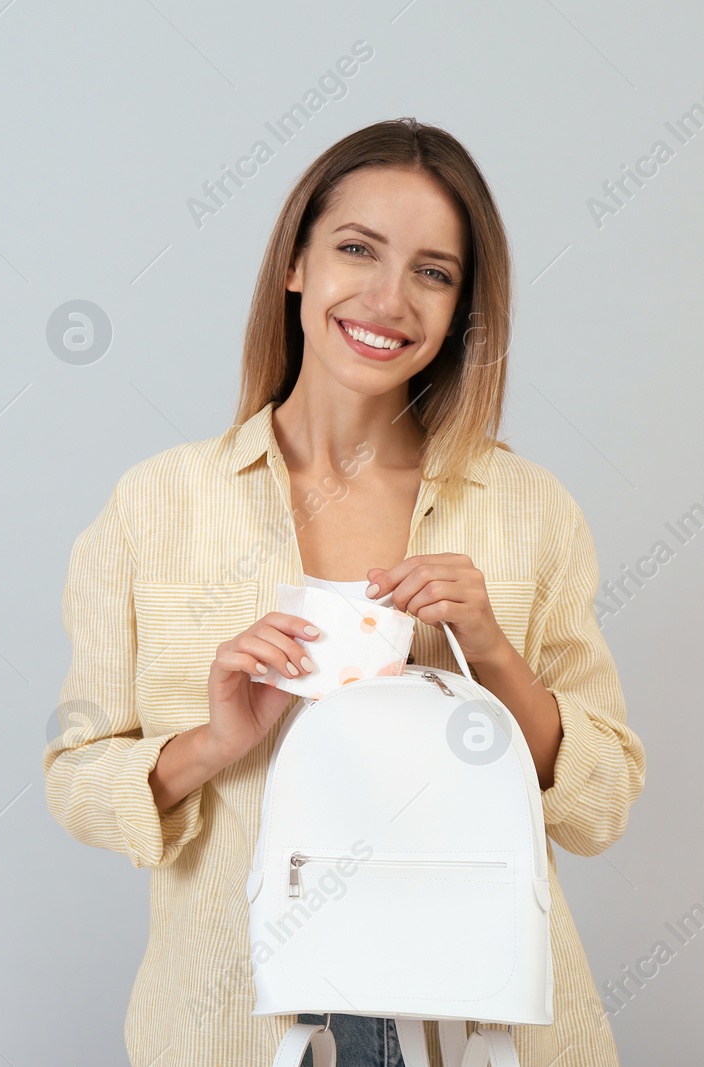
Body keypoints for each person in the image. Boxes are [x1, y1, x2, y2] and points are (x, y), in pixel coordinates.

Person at [43, 117, 645, 1067]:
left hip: (485, 1029)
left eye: (434, 272)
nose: (389, 297)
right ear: (296, 263)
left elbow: (600, 801)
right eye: (357, 249)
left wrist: (488, 651)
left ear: (461, 310)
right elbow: (77, 776)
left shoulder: (528, 510)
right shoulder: (157, 505)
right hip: (237, 1021)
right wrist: (214, 743)